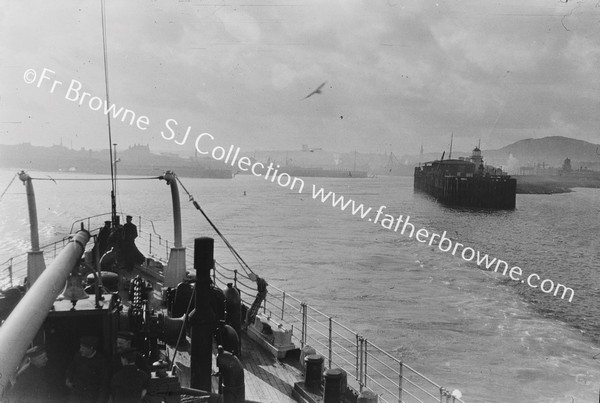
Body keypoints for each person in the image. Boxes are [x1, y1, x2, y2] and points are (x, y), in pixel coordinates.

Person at [65, 336, 109, 403]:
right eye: (80, 347)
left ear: (91, 348)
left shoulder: (101, 361)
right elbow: (70, 369)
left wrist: (100, 401)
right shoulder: (78, 356)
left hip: (91, 397)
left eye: (83, 348)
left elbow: (104, 383)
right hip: (76, 394)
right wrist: (68, 379)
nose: (80, 350)